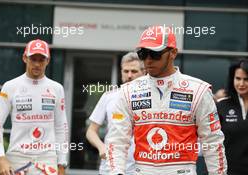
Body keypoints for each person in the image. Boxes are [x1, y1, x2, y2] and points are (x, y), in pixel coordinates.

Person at [106, 25, 227, 175]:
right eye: (143, 54)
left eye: (155, 54)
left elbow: (212, 142)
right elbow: (117, 140)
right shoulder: (128, 91)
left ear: (173, 53)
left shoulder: (198, 90)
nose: (148, 60)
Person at [0, 39, 68, 175]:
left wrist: (62, 163)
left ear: (48, 61)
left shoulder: (57, 88)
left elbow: (61, 127)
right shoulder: (10, 86)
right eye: (33, 59)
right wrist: (1, 158)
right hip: (17, 159)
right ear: (25, 58)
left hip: (47, 160)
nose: (37, 64)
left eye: (41, 60)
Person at [86, 52, 145, 175]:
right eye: (126, 71)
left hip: (141, 168)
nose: (129, 75)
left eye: (134, 71)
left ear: (144, 73)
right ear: (121, 72)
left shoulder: (151, 99)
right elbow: (91, 131)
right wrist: (101, 147)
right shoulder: (109, 96)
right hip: (111, 166)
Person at [216, 59, 248, 175]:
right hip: (228, 171)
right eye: (238, 78)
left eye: (246, 79)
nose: (241, 84)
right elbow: (210, 140)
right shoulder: (221, 105)